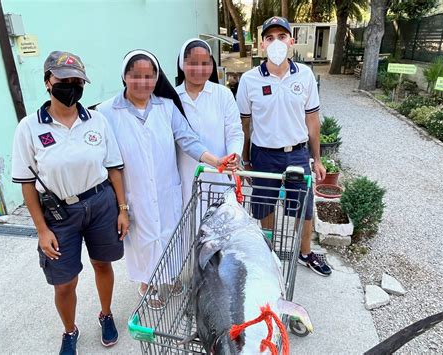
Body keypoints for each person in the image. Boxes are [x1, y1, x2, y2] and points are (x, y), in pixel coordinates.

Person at [11, 51, 129, 355]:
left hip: (101, 203)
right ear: (48, 81)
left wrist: (122, 209)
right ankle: (69, 330)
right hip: (58, 214)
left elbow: (114, 167)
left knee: (103, 264)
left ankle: (106, 314)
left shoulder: (97, 121)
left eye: (78, 81)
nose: (72, 86)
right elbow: (26, 183)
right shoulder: (29, 127)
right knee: (64, 282)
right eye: (64, 80)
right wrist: (41, 230)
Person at [97, 49, 234, 307]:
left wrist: (214, 160)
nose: (143, 82)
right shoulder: (107, 112)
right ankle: (148, 282)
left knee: (169, 236)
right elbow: (105, 159)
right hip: (133, 192)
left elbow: (187, 139)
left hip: (165, 187)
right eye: (135, 76)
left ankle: (169, 278)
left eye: (149, 76)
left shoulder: (166, 106)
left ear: (157, 78)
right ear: (124, 76)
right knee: (143, 239)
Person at [236, 16, 332, 276]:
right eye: (270, 38)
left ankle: (305, 253)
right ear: (262, 44)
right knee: (264, 207)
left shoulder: (305, 75)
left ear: (291, 41)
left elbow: (312, 119)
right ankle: (268, 252)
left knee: (304, 207)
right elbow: (244, 124)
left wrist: (317, 159)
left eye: (281, 36)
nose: (276, 42)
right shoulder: (249, 80)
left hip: (297, 154)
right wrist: (245, 160)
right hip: (264, 155)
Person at [176, 38, 243, 209]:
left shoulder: (223, 94)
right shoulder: (173, 99)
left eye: (205, 63)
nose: (199, 69)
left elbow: (234, 132)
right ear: (182, 64)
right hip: (185, 177)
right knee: (188, 226)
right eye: (192, 63)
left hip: (219, 177)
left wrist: (234, 156)